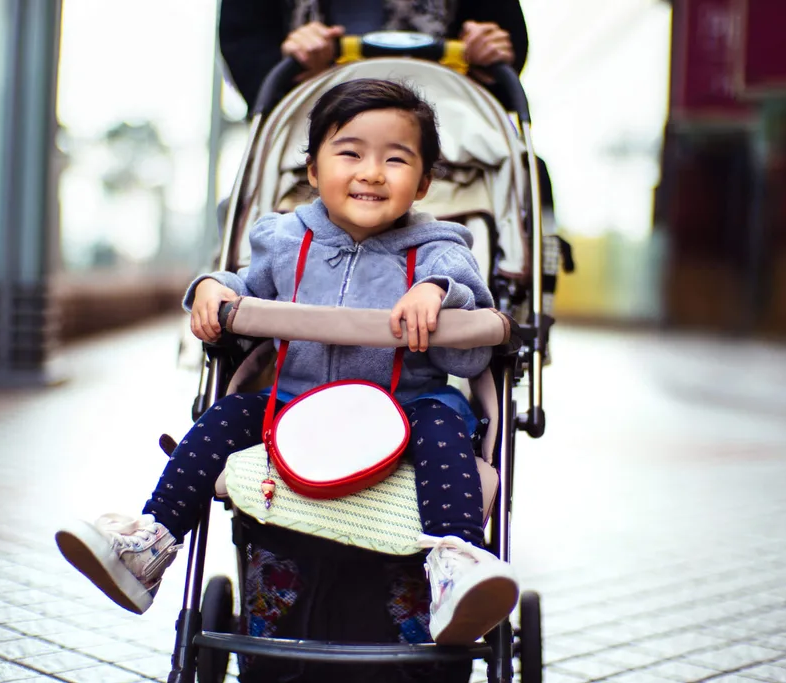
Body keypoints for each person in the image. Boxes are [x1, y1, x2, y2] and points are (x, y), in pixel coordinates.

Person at [55, 78, 519, 646]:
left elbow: (468, 323)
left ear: (422, 182)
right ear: (312, 170)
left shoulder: (441, 249)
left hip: (405, 406)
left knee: (447, 422)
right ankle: (150, 544)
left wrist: (438, 294)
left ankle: (455, 566)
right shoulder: (282, 238)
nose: (372, 172)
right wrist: (211, 288)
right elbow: (243, 285)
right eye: (350, 153)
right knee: (223, 418)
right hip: (297, 405)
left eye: (395, 160)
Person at [217, 0, 528, 112]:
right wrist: (292, 59)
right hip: (306, 128)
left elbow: (506, 45)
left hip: (448, 135)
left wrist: (489, 52)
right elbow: (248, 56)